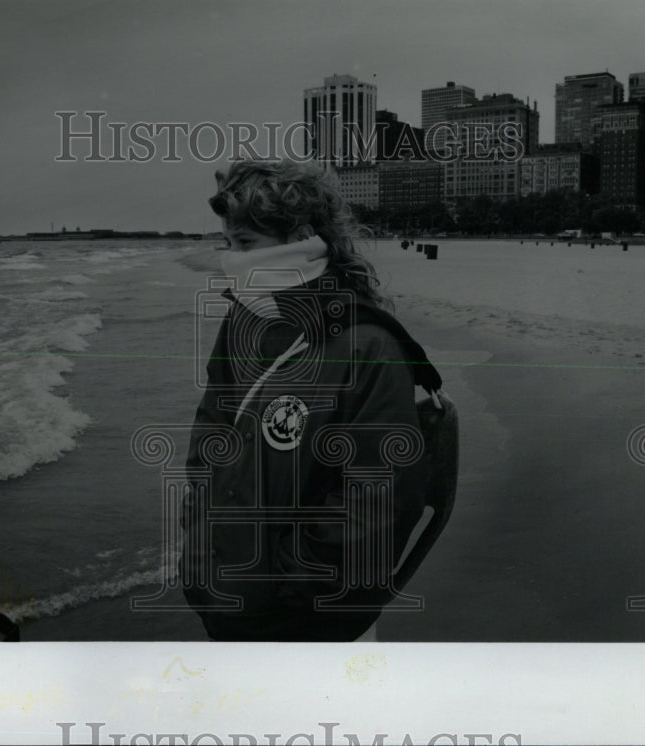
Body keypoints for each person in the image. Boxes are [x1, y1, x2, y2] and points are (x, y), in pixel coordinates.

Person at [180, 159, 452, 641]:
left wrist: (284, 587)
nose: (231, 258)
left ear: (301, 237)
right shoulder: (242, 320)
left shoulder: (367, 345)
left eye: (245, 244)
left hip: (313, 623)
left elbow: (378, 497)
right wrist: (200, 551)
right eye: (228, 243)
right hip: (228, 603)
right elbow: (210, 435)